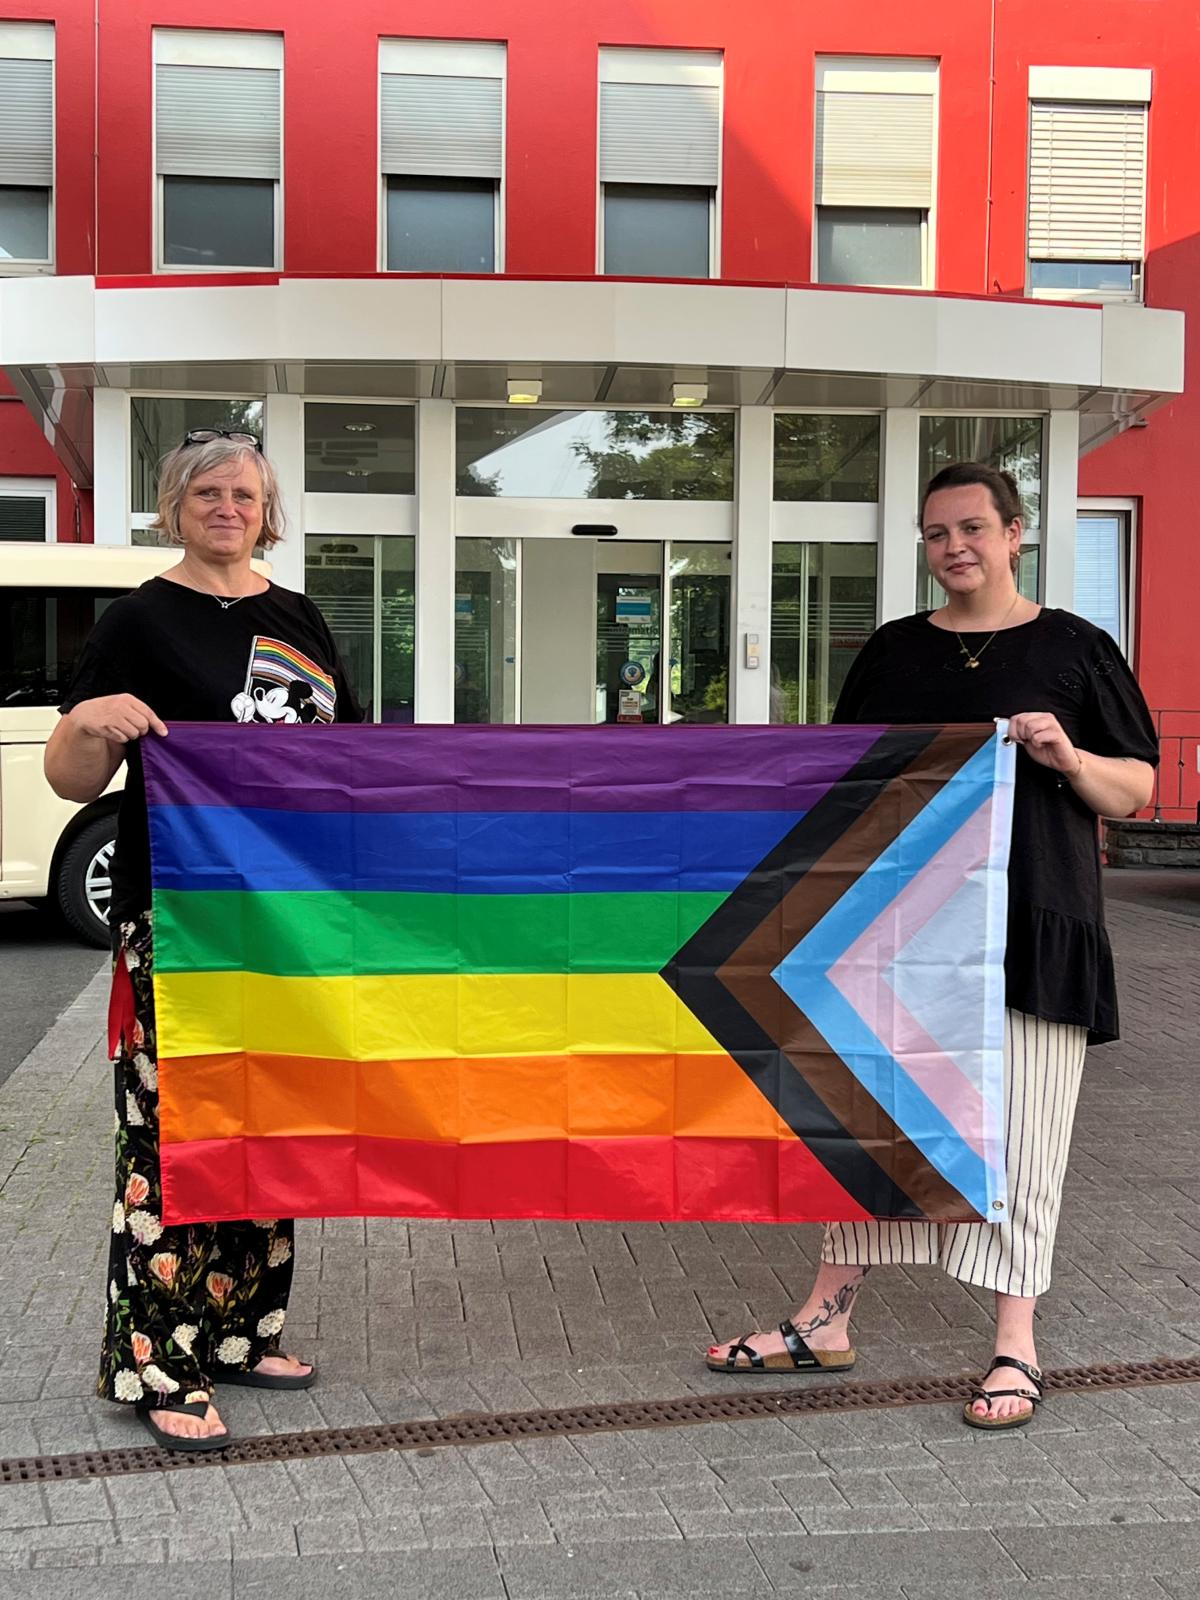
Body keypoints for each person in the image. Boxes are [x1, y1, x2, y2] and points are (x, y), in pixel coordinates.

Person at [707, 461, 1158, 1431]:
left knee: (1024, 1138)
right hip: (901, 931)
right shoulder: (892, 653)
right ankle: (824, 1317)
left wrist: (1068, 757)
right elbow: (844, 784)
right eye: (936, 533)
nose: (955, 547)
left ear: (1015, 533)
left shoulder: (1077, 651)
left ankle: (1014, 1342)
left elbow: (1136, 792)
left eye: (972, 528)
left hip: (1037, 928)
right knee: (875, 1124)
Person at [45, 430, 363, 1451]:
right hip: (176, 917)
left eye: (245, 494)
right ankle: (157, 1362)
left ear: (268, 510)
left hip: (279, 922)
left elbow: (347, 757)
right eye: (207, 492)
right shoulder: (139, 618)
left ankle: (240, 1331)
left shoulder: (298, 614)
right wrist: (93, 717)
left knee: (267, 1125)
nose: (228, 507)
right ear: (176, 505)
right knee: (173, 1136)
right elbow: (69, 775)